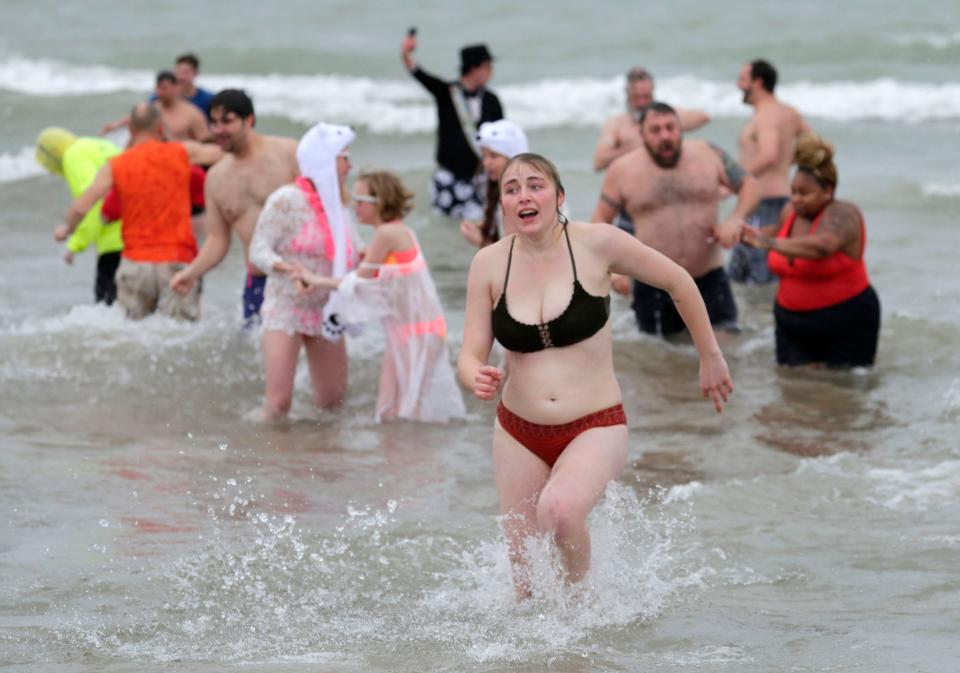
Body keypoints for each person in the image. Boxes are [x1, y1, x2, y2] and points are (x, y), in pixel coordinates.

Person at [458, 153, 732, 597]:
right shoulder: (488, 264)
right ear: (503, 205)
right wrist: (475, 374)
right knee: (525, 588)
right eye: (511, 189)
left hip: (595, 423)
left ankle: (584, 612)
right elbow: (470, 352)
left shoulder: (598, 244)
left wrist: (710, 356)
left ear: (559, 196)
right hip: (517, 432)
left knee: (561, 511)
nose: (523, 195)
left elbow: (679, 281)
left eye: (535, 185)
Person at [294, 170, 466, 423]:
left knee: (405, 411)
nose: (355, 206)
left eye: (360, 200)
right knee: (392, 410)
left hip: (416, 333)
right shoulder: (398, 231)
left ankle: (411, 459)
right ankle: (402, 459)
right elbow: (384, 279)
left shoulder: (386, 234)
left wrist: (315, 279)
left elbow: (359, 284)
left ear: (380, 202)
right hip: (417, 331)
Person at [592, 102, 763, 338]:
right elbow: (600, 221)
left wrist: (735, 218)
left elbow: (750, 185)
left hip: (708, 278)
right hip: (653, 283)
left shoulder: (709, 154)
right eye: (655, 130)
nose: (665, 136)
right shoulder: (622, 171)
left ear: (681, 129)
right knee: (660, 360)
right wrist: (613, 269)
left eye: (670, 128)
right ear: (641, 134)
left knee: (727, 351)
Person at [55, 103, 218, 321]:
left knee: (135, 339)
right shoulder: (181, 151)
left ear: (131, 130)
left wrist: (67, 229)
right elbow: (221, 154)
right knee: (182, 338)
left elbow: (81, 207)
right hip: (177, 261)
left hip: (135, 265)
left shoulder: (116, 164)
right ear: (160, 128)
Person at [247, 122, 358, 421]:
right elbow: (258, 250)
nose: (350, 166)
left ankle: (318, 459)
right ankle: (262, 457)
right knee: (278, 403)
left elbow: (353, 254)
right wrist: (288, 268)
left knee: (333, 404)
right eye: (344, 158)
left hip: (327, 308)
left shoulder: (340, 206)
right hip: (286, 306)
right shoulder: (286, 199)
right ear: (325, 160)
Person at [739, 134, 880, 367]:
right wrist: (738, 232)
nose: (796, 199)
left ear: (828, 190)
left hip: (846, 320)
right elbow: (773, 234)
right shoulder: (789, 212)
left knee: (844, 392)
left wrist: (768, 243)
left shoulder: (844, 214)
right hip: (791, 323)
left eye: (805, 193)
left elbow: (822, 246)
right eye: (793, 191)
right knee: (795, 390)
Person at [169, 89, 300, 326]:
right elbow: (218, 240)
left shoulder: (289, 153)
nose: (218, 130)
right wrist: (191, 272)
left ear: (248, 120)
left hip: (302, 277)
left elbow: (330, 206)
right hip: (257, 283)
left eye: (227, 121)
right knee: (256, 357)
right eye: (213, 122)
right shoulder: (217, 177)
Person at [401, 31, 504, 220]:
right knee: (443, 227)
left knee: (483, 225)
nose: (491, 71)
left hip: (479, 177)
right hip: (447, 176)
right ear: (474, 68)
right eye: (487, 67)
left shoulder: (492, 100)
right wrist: (406, 53)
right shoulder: (446, 93)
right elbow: (418, 73)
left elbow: (502, 138)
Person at [729, 59, 812, 284]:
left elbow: (769, 155)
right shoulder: (788, 113)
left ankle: (757, 319)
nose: (738, 86)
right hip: (780, 200)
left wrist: (734, 180)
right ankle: (758, 319)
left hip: (763, 204)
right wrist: (788, 163)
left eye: (742, 80)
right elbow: (815, 145)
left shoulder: (765, 115)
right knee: (757, 276)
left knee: (757, 279)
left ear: (758, 82)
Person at [35, 127, 123, 304]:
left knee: (107, 310)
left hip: (116, 242)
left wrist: (74, 244)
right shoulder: (97, 144)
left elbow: (91, 202)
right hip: (143, 232)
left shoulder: (73, 156)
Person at [593, 66, 710, 172]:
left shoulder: (666, 116)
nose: (642, 103)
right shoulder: (616, 124)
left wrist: (670, 125)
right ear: (627, 94)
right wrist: (634, 146)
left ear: (653, 92)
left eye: (646, 97)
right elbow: (599, 162)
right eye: (636, 97)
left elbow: (704, 117)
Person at [460, 119, 529, 247]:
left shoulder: (521, 199)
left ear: (513, 158)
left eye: (493, 156)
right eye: (484, 156)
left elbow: (517, 257)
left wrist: (480, 241)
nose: (486, 163)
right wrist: (487, 224)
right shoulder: (496, 189)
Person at [102, 71, 210, 142]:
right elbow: (135, 119)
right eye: (158, 88)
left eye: (164, 88)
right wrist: (115, 126)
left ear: (175, 87)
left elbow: (204, 140)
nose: (160, 92)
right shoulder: (152, 109)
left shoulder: (192, 113)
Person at [173, 53, 215, 118]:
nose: (181, 77)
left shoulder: (208, 100)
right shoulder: (164, 98)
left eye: (186, 73)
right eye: (178, 71)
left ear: (196, 73)